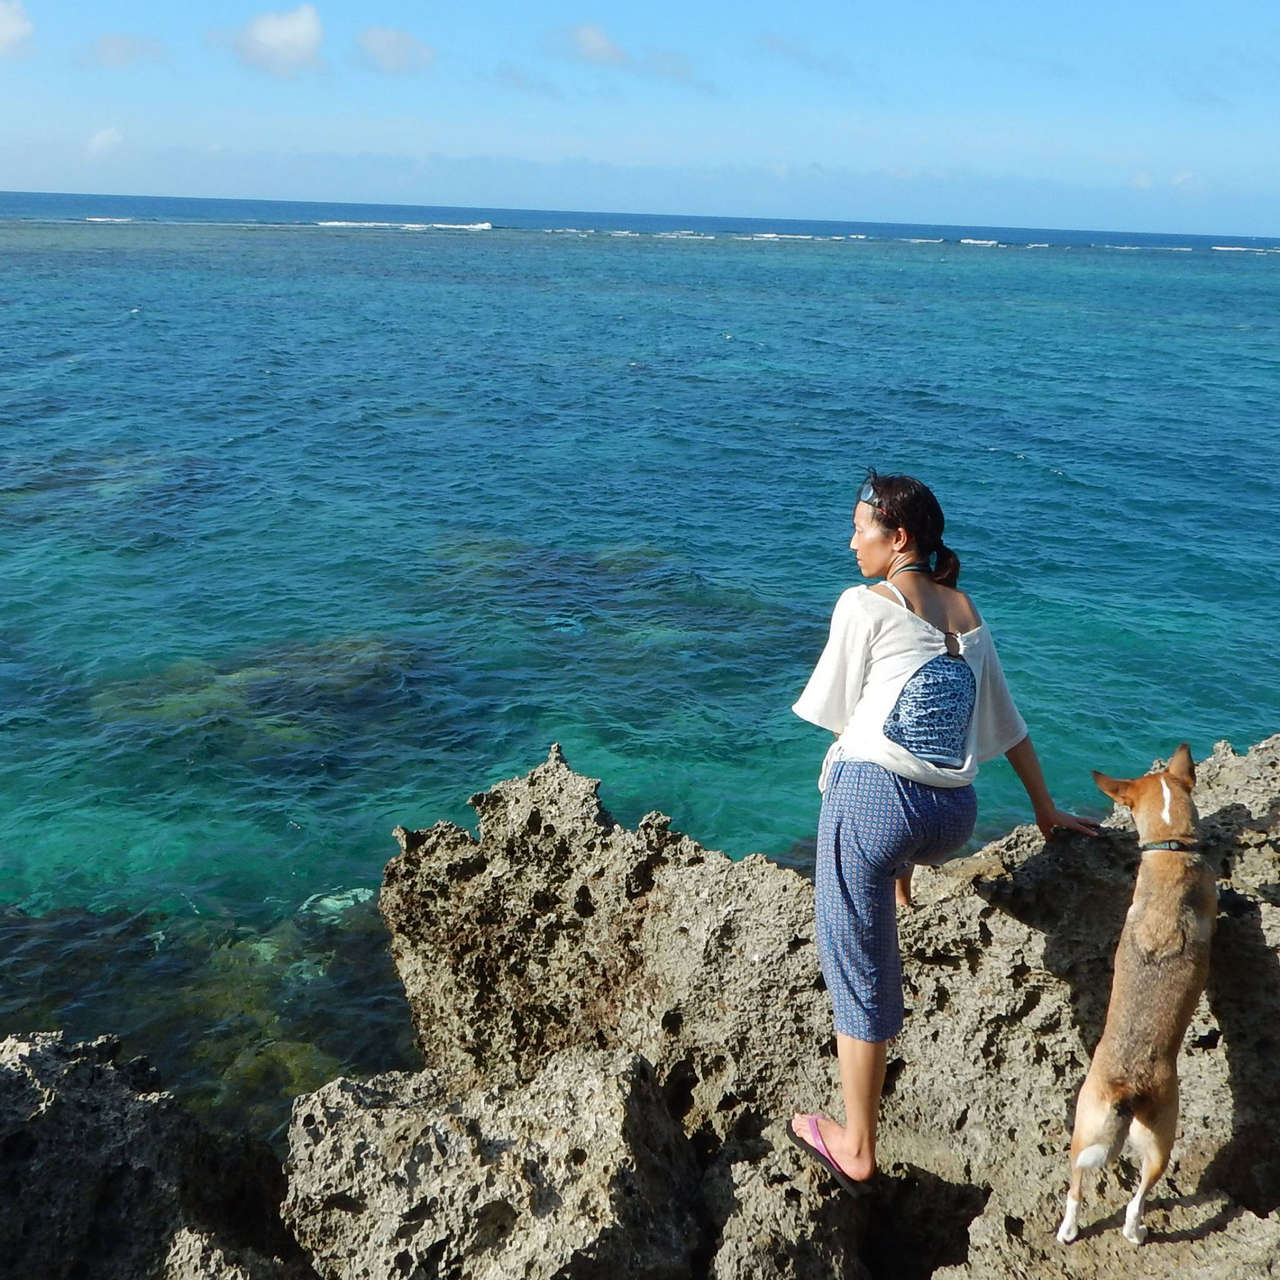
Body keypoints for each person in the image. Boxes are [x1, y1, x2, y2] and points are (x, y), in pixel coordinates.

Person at [788, 470, 1099, 1191]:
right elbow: (1006, 726)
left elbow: (838, 717)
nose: (850, 539)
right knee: (885, 812)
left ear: (898, 538)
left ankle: (855, 1142)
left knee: (856, 964)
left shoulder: (863, 604)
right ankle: (898, 879)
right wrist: (1045, 812)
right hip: (949, 820)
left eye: (860, 526)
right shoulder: (964, 611)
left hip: (877, 804)